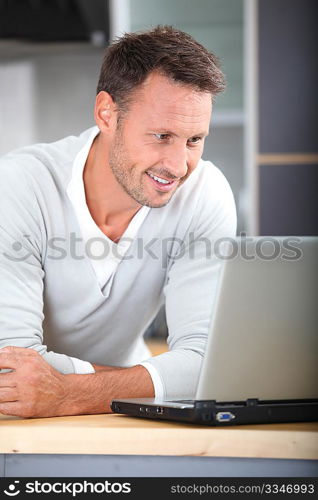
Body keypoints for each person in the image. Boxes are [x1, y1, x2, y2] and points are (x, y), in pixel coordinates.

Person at [0, 26, 236, 418]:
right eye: (162, 135)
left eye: (194, 140)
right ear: (107, 113)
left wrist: (73, 392)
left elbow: (206, 365)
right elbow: (10, 372)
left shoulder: (204, 193)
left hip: (125, 415)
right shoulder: (20, 186)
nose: (179, 166)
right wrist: (147, 381)